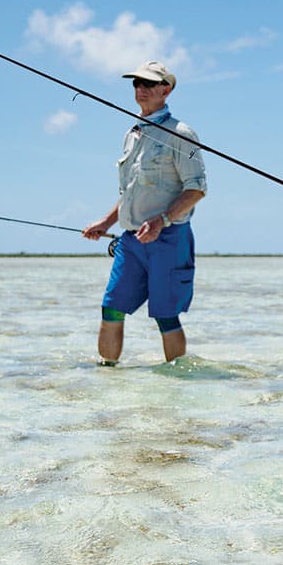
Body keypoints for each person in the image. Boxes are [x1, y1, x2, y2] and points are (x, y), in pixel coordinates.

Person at [82, 60, 206, 365]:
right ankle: (106, 377)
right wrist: (105, 222)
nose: (141, 89)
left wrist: (162, 221)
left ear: (167, 89)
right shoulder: (133, 132)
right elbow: (130, 191)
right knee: (111, 307)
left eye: (149, 84)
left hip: (169, 238)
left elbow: (197, 188)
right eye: (136, 83)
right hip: (131, 240)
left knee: (166, 316)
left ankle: (175, 386)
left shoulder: (182, 133)